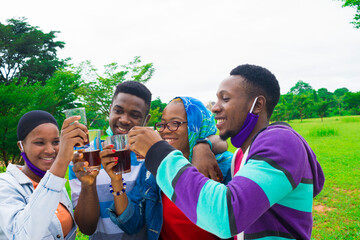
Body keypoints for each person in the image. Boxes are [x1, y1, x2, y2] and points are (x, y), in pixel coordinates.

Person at [128, 64, 325, 240]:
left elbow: (225, 216)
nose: (214, 108)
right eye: (216, 100)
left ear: (257, 105)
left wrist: (157, 151)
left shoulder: (281, 141)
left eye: (225, 99)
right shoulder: (241, 156)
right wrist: (202, 145)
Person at [69, 81, 228, 239]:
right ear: (110, 110)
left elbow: (233, 219)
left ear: (146, 120)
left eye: (135, 115)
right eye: (118, 110)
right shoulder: (86, 158)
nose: (124, 120)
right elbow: (88, 228)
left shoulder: (153, 155)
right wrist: (94, 183)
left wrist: (202, 144)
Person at [0, 110, 88, 239]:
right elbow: (23, 236)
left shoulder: (55, 181)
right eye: (40, 143)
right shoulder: (5, 185)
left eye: (56, 142)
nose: (50, 150)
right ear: (21, 146)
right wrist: (62, 160)